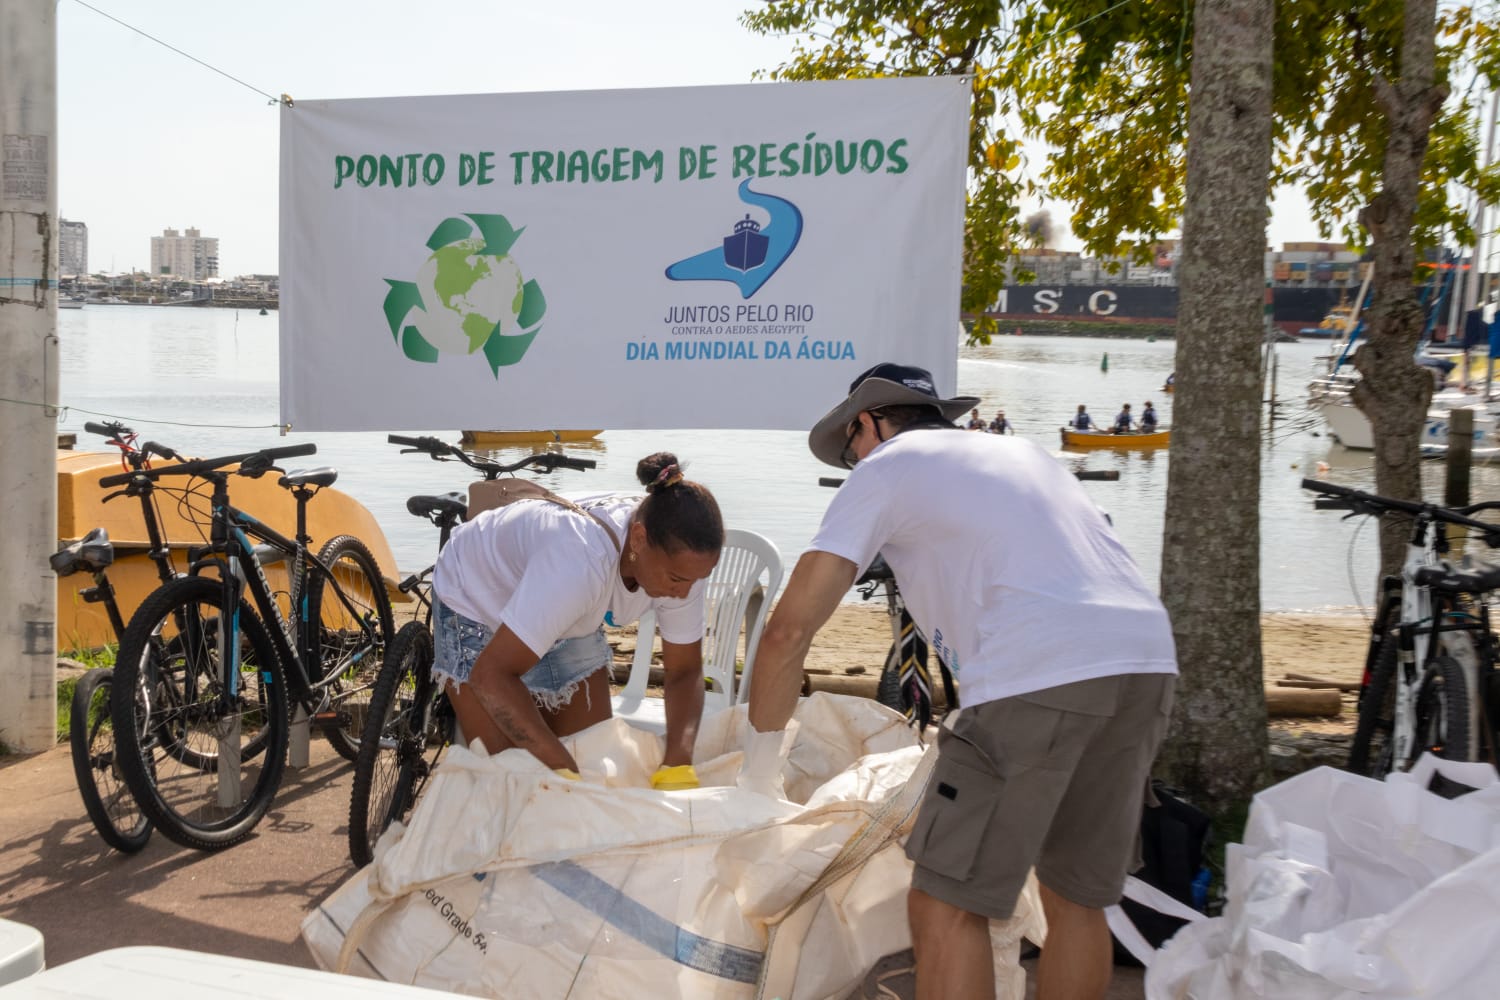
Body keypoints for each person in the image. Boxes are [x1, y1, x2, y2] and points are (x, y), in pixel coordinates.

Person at [742, 362, 1177, 1000]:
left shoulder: (888, 465)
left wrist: (758, 771)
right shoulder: (1024, 454)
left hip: (1039, 670)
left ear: (868, 423)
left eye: (849, 450)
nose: (851, 464)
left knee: (946, 904)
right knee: (1077, 900)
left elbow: (787, 632)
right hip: (1143, 658)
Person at [431, 452, 723, 788]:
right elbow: (491, 676)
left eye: (695, 580)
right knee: (516, 782)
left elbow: (684, 671)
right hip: (478, 596)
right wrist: (561, 766)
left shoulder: (683, 566)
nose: (685, 594)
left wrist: (678, 761)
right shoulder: (581, 562)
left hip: (562, 606)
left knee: (595, 761)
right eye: (675, 580)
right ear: (639, 539)